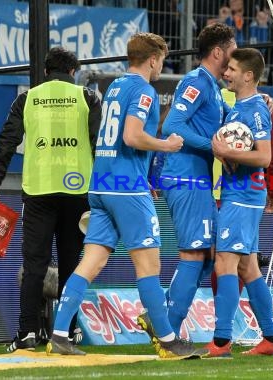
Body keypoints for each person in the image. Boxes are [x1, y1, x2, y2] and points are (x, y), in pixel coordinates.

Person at [45, 32, 207, 359]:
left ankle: (59, 334)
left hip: (101, 184)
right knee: (148, 263)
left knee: (92, 261)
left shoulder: (116, 86)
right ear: (152, 59)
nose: (162, 64)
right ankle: (167, 339)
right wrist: (166, 144)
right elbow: (132, 136)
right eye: (162, 58)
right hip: (127, 189)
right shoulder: (144, 90)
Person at [0, 47, 102, 353]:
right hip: (78, 192)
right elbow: (98, 145)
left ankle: (27, 333)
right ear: (74, 71)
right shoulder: (87, 98)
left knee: (34, 264)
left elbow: (6, 142)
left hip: (38, 191)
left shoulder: (28, 98)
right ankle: (67, 330)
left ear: (46, 72)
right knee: (71, 264)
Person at [147, 23, 237, 338]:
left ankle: (160, 319)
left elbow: (232, 118)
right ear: (217, 52)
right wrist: (211, 146)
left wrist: (260, 99)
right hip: (185, 178)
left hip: (196, 179)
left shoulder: (213, 87)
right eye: (232, 49)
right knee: (195, 254)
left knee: (206, 256)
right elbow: (172, 124)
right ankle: (167, 331)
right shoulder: (195, 82)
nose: (235, 56)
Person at [205, 47, 273, 357]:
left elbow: (264, 156)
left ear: (248, 76)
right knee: (248, 269)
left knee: (225, 262)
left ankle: (221, 341)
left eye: (232, 69)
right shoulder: (239, 107)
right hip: (239, 192)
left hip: (244, 196)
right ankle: (272, 339)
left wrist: (226, 153)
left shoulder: (254, 109)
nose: (226, 73)